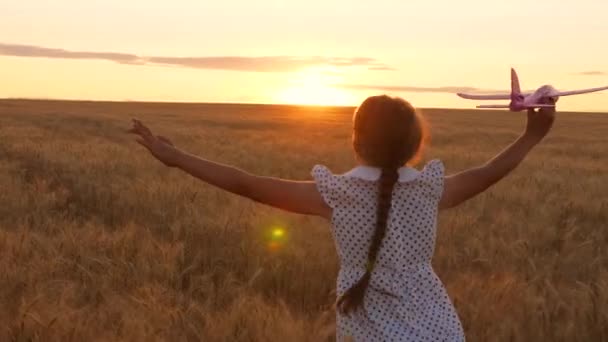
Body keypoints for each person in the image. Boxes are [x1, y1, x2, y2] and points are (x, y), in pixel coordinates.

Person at [128, 95, 556, 341]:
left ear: (356, 141)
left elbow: (247, 183)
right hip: (441, 330)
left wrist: (176, 158)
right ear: (415, 144)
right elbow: (488, 173)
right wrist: (531, 136)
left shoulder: (337, 196)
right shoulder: (430, 188)